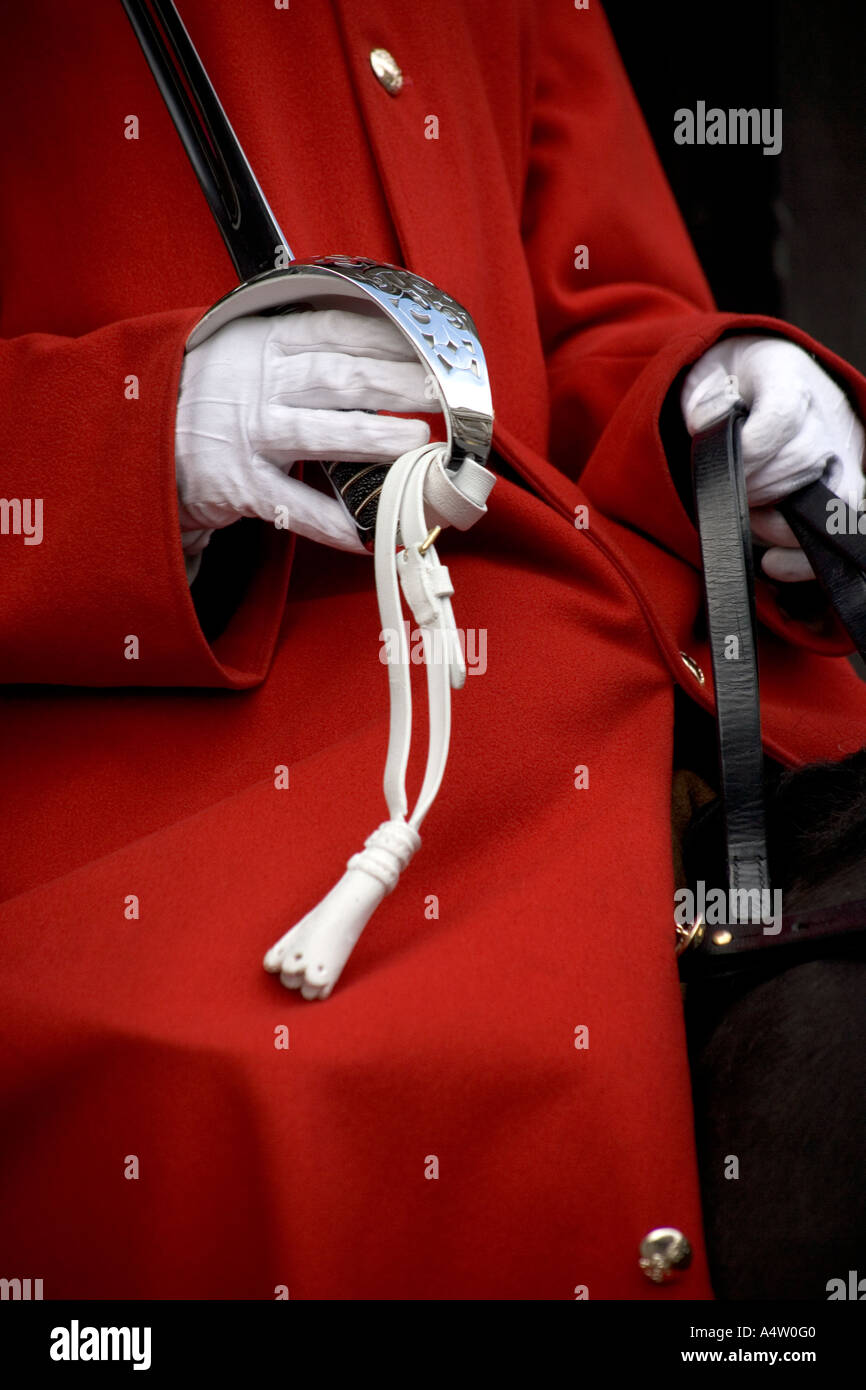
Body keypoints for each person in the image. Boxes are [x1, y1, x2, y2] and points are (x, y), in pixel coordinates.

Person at [2, 0, 864, 1300]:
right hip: (125, 745)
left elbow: (592, 311)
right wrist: (125, 441)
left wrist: (705, 392)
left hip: (567, 659)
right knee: (236, 1077)